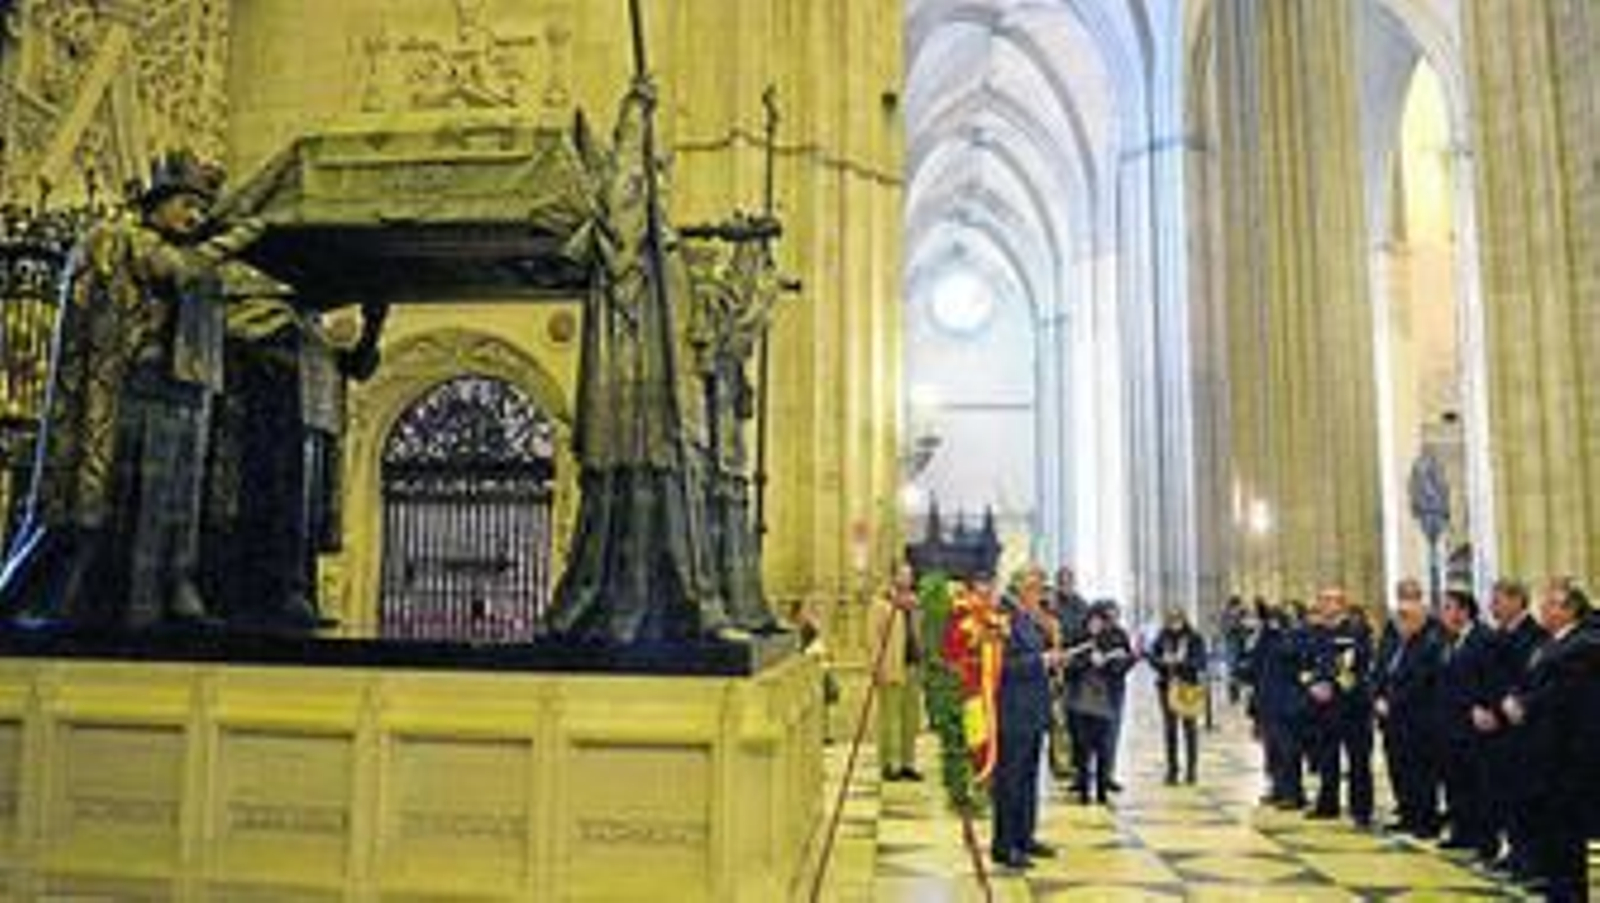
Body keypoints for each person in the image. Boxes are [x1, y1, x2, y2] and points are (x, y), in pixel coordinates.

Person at [0, 149, 258, 630]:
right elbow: (172, 269)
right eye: (186, 204)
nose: (195, 216)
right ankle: (84, 600)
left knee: (172, 500)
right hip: (129, 389)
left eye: (202, 209)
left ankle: (165, 593)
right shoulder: (118, 237)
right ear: (156, 203)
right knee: (114, 499)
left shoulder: (196, 260)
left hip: (179, 391)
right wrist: (244, 232)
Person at [1500, 578, 1599, 901]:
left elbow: (1560, 692)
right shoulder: (1549, 642)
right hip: (1543, 747)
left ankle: (1569, 891)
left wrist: (1524, 705)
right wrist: (1514, 697)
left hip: (1568, 751)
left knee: (1567, 826)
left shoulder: (1584, 644)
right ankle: (1553, 880)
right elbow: (1527, 678)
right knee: (1550, 822)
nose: (1543, 608)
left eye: (1551, 604)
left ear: (1570, 610)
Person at [990, 567, 1060, 870]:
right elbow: (1003, 666)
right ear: (1021, 589)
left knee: (1029, 779)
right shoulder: (1003, 617)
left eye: (1041, 588)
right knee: (1010, 782)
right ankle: (1004, 845)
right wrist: (1041, 660)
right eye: (1035, 588)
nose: (1040, 594)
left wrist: (1051, 660)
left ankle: (1025, 837)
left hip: (1032, 711)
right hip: (1013, 712)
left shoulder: (1029, 618)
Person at [1479, 578, 1547, 876]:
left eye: (1498, 600)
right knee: (1504, 794)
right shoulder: (1497, 635)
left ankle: (1531, 858)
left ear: (1518, 600)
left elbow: (1528, 679)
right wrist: (1482, 707)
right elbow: (1486, 677)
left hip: (1521, 729)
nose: (1492, 606)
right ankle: (1515, 851)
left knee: (1524, 796)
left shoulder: (1535, 635)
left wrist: (1504, 707)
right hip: (1494, 727)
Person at [1373, 578, 1444, 838]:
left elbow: (1421, 679)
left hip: (1417, 717)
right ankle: (1407, 813)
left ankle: (1425, 820)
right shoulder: (1393, 634)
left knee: (1421, 772)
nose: (1402, 621)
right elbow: (1380, 668)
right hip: (1390, 717)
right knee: (1398, 767)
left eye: (1407, 617)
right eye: (1400, 616)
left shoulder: (1431, 638)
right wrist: (1377, 696)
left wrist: (1392, 702)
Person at [1301, 587, 1375, 827]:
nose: (1323, 605)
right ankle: (1327, 804)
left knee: (1358, 760)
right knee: (1327, 757)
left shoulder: (1356, 630)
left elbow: (1356, 663)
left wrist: (1331, 684)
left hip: (1353, 705)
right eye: (1321, 600)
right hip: (1323, 707)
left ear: (1341, 604)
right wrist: (1312, 684)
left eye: (1328, 600)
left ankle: (1361, 810)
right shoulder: (1316, 632)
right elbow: (1306, 661)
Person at [1435, 586, 1498, 860]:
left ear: (1464, 611)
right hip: (1450, 724)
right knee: (1455, 783)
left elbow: (1490, 678)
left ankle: (1485, 841)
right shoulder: (1450, 640)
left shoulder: (1483, 638)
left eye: (1448, 608)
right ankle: (1462, 832)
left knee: (1478, 785)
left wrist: (1482, 706)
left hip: (1473, 724)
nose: (1443, 614)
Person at [1062, 601, 1132, 805]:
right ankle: (1083, 788)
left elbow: (1123, 666)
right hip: (1079, 702)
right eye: (1091, 622)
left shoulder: (1114, 638)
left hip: (1105, 702)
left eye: (1099, 622)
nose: (1095, 625)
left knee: (1104, 747)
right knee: (1082, 748)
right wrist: (1086, 661)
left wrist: (1107, 662)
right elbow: (1067, 668)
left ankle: (1102, 789)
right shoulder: (1077, 639)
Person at [868, 563, 924, 782]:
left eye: (910, 575)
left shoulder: (914, 604)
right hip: (891, 666)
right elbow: (873, 638)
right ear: (893, 578)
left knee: (910, 718)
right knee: (889, 718)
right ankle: (888, 763)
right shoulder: (881, 603)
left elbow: (917, 633)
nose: (907, 579)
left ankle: (907, 763)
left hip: (912, 666)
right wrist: (876, 666)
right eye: (903, 575)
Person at [1150, 606, 1208, 784]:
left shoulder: (1194, 637)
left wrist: (1183, 662)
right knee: (1170, 729)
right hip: (1167, 686)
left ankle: (1191, 770)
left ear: (1184, 619)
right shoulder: (1162, 636)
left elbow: (1201, 662)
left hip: (1188, 687)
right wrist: (1163, 662)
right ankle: (1172, 769)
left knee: (1189, 729)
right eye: (1172, 619)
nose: (1175, 622)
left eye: (1178, 618)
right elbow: (1152, 657)